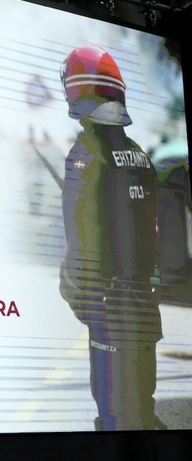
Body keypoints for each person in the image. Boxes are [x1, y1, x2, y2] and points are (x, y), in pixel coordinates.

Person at [58, 45, 164, 430]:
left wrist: (78, 293)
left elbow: (81, 240)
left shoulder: (86, 152)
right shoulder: (139, 155)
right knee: (143, 414)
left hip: (111, 316)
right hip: (146, 312)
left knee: (115, 419)